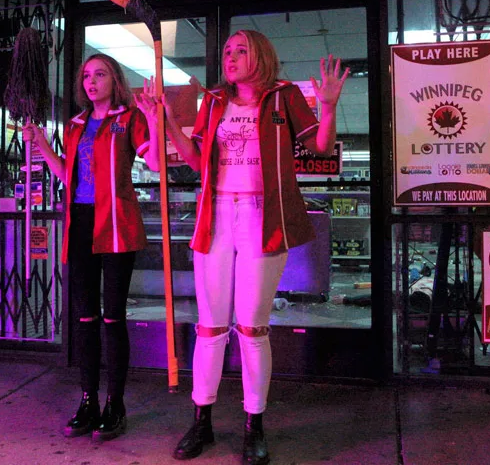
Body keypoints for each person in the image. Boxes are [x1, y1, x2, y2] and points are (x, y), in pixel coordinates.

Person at [137, 30, 348, 464]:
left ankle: (255, 425)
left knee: (252, 328)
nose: (230, 57)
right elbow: (196, 160)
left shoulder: (284, 96)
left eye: (240, 50)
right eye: (227, 51)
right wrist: (169, 121)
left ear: (261, 55)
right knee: (210, 327)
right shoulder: (215, 101)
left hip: (262, 217)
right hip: (216, 215)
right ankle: (202, 421)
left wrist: (328, 107)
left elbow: (321, 145)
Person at [23, 53, 158, 442]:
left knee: (112, 317)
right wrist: (42, 143)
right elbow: (67, 174)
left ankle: (115, 403)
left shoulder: (128, 119)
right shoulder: (75, 125)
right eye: (86, 75)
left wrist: (155, 118)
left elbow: (154, 161)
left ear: (115, 80)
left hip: (116, 223)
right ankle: (88, 400)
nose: (91, 81)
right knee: (85, 318)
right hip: (80, 222)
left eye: (100, 74)